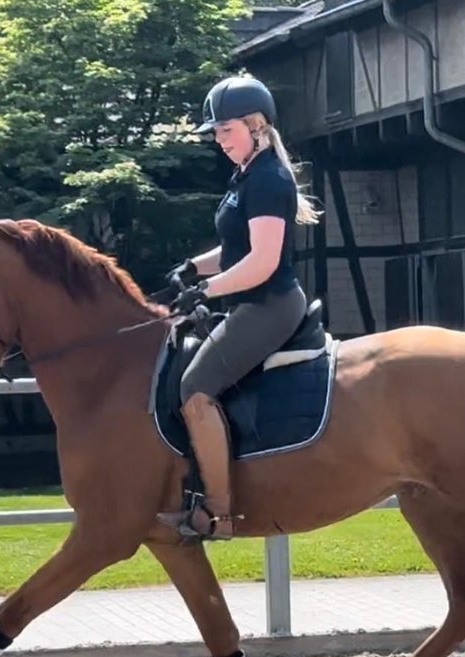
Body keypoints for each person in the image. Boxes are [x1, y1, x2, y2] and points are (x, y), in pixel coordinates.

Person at [158, 75, 322, 541]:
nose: (218, 139)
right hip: (251, 300)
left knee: (195, 388)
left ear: (256, 125)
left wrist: (205, 292)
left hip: (269, 304)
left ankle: (219, 513)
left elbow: (262, 261)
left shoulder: (268, 179)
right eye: (215, 132)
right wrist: (193, 267)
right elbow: (235, 248)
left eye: (224, 129)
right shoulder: (247, 174)